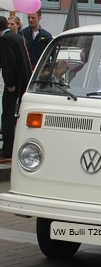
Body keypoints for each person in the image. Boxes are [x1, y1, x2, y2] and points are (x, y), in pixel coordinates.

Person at [0, 16, 32, 163]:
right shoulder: (17, 37)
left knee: (7, 114)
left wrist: (10, 83)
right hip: (23, 80)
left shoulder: (5, 39)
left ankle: (7, 150)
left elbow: (9, 62)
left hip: (15, 83)